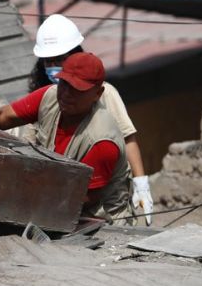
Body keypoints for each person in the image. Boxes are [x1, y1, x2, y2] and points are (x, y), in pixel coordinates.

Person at [0, 52, 136, 225]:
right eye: (64, 84)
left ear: (98, 94)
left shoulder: (102, 140)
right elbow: (3, 116)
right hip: (54, 203)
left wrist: (16, 192)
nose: (66, 94)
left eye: (77, 89)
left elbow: (83, 197)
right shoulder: (50, 97)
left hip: (100, 224)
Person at [29, 14, 153, 225]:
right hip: (59, 196)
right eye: (48, 61)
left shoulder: (104, 94)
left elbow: (128, 138)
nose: (54, 66)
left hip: (102, 205)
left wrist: (141, 184)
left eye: (60, 59)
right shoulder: (44, 97)